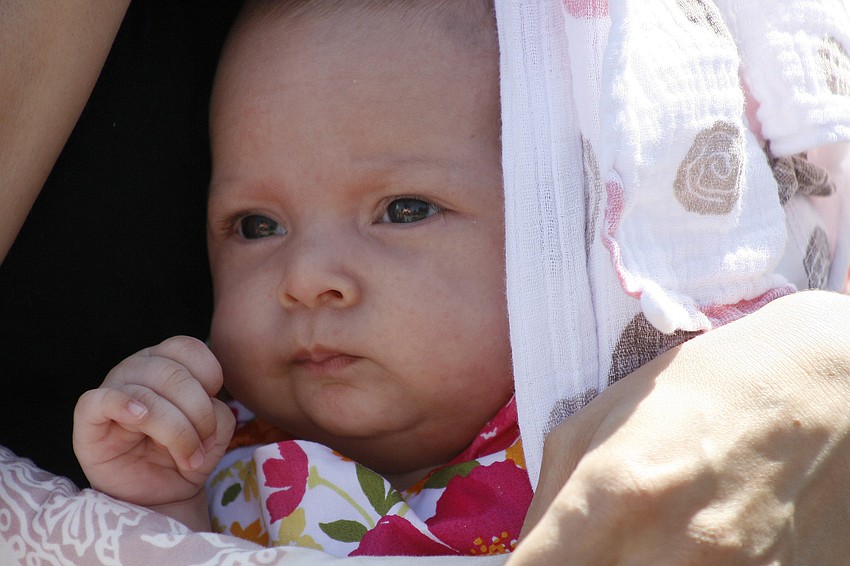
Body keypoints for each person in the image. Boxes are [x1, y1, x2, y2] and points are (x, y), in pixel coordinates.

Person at [3, 0, 850, 563]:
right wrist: (163, 506)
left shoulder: (631, 452)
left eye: (403, 210)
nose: (307, 278)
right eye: (256, 226)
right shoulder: (231, 458)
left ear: (571, 239)